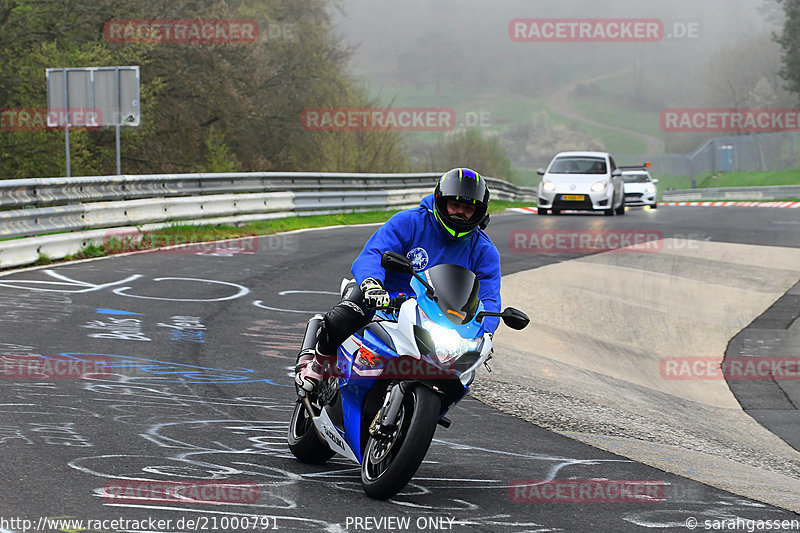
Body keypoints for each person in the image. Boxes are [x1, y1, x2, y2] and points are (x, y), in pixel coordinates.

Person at [295, 167, 502, 393]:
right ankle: (318, 364)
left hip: (435, 318)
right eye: (455, 205)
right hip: (385, 300)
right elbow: (373, 253)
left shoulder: (484, 250)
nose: (460, 213)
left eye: (468, 208)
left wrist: (486, 332)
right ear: (440, 201)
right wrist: (372, 284)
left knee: (458, 375)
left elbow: (489, 298)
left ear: (479, 211)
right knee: (347, 313)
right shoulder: (408, 222)